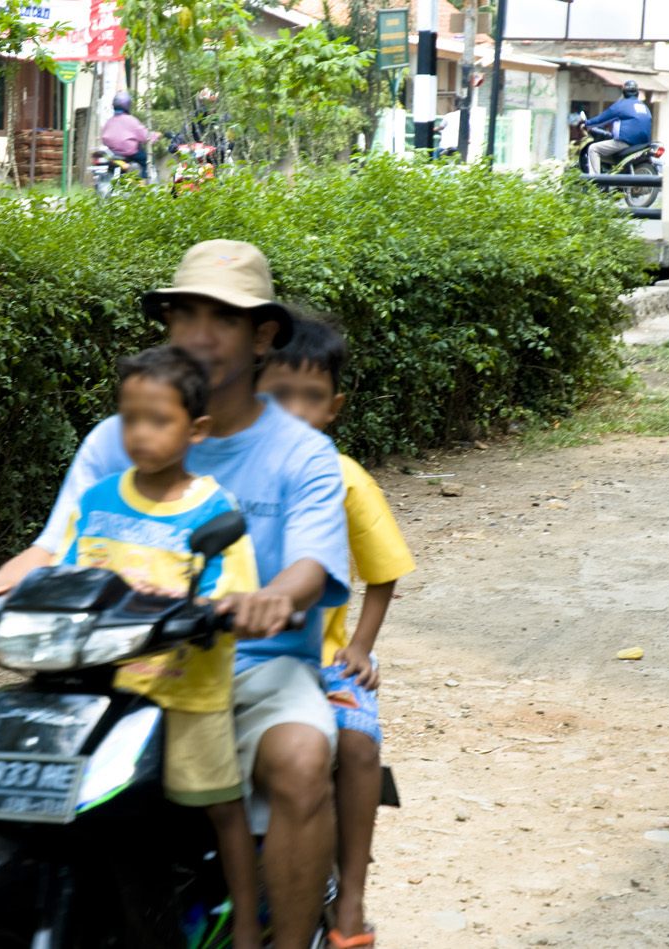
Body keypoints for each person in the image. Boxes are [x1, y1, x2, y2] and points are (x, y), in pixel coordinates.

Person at [0, 239, 351, 949]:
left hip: (248, 662)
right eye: (183, 315)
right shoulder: (115, 438)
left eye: (222, 317)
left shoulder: (302, 452)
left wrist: (270, 596)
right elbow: (52, 547)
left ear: (263, 336)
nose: (198, 333)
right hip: (113, 662)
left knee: (301, 755)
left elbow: (311, 564)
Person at [55, 344, 263, 949]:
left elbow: (232, 590)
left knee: (221, 806)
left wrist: (195, 602)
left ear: (196, 428)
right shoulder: (98, 501)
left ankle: (246, 925)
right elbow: (72, 573)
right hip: (108, 687)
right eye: (129, 417)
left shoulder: (212, 510)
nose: (139, 433)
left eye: (158, 419)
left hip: (185, 693)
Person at [256, 317, 416, 949]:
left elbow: (383, 573)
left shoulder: (344, 477)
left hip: (319, 661)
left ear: (335, 407)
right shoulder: (227, 468)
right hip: (232, 655)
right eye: (278, 394)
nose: (294, 411)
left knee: (356, 744)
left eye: (311, 396)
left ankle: (349, 899)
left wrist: (358, 649)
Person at [583, 80, 652, 175]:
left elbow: (601, 120)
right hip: (641, 145)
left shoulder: (621, 105)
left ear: (623, 92)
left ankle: (595, 182)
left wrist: (586, 124)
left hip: (625, 143)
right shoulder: (644, 107)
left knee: (593, 148)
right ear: (637, 93)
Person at [100, 90, 154, 180]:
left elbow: (104, 137)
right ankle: (144, 185)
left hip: (112, 153)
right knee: (147, 160)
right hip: (128, 153)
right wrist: (155, 136)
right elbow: (145, 136)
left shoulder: (109, 121)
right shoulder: (131, 120)